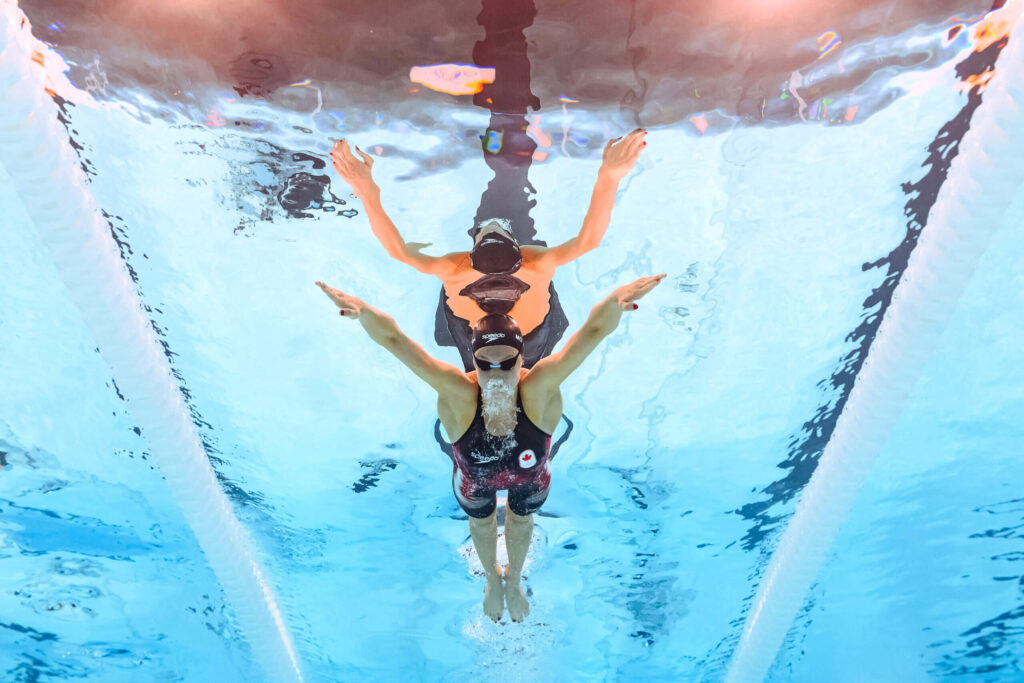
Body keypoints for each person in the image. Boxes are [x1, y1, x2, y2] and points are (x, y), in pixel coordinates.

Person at [315, 273, 665, 623]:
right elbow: (395, 341)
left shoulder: (538, 389)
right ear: (474, 360)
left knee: (521, 518)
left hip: (530, 477)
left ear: (521, 359)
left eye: (506, 362)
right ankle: (492, 581)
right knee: (481, 522)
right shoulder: (459, 393)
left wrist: (616, 301)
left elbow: (592, 332)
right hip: (475, 479)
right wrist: (363, 312)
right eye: (485, 363)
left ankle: (513, 579)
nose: (496, 373)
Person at [328, 130, 649, 368]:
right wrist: (610, 175)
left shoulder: (455, 268)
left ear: (472, 252)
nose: (492, 224)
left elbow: (398, 251)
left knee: (477, 382)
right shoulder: (536, 262)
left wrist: (364, 187)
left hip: (479, 337)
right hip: (529, 337)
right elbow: (588, 242)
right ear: (520, 249)